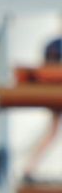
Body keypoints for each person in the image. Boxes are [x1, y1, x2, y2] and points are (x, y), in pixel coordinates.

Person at [23, 36, 62, 184]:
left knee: (52, 132)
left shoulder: (54, 44)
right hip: (56, 90)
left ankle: (29, 168)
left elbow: (44, 69)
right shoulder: (56, 45)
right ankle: (29, 168)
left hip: (54, 90)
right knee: (52, 132)